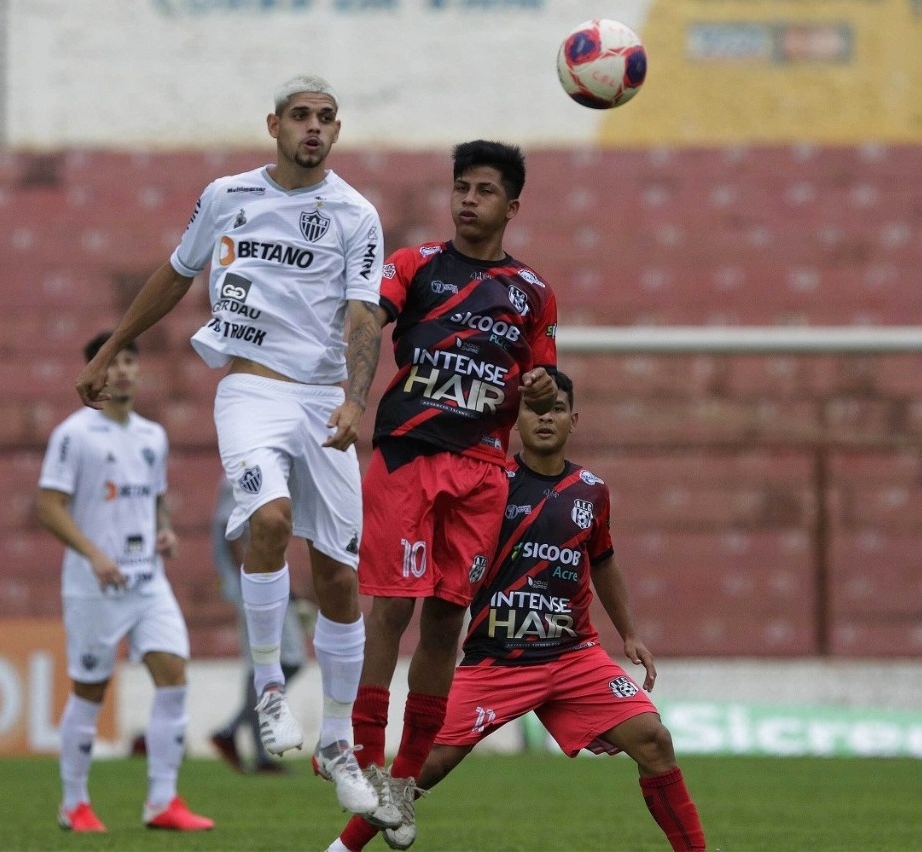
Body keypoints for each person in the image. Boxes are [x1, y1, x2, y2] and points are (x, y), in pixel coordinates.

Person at [74, 74, 384, 817]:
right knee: (269, 522)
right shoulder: (228, 197)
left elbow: (366, 316)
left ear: (337, 132)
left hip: (321, 401)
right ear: (274, 124)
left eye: (327, 119)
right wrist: (112, 345)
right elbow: (175, 277)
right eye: (302, 117)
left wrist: (354, 399)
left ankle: (336, 740)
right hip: (249, 391)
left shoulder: (355, 214)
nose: (314, 128)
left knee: (340, 576)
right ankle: (269, 692)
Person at [332, 372, 707, 852]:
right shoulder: (491, 485)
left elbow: (604, 559)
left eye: (555, 409)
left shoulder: (591, 491)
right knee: (420, 770)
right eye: (534, 409)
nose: (544, 417)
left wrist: (630, 634)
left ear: (574, 419)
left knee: (655, 740)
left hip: (572, 656)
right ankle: (339, 850)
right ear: (515, 418)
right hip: (497, 658)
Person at [332, 140, 560, 844]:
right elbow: (368, 318)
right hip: (410, 457)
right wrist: (352, 395)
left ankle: (404, 781)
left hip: (484, 471)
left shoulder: (532, 293)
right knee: (392, 607)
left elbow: (541, 382)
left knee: (444, 625)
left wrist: (543, 389)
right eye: (461, 187)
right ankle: (366, 761)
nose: (468, 200)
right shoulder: (418, 265)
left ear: (511, 206)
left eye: (484, 190)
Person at [37, 332, 214, 834]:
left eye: (130, 361)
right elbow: (48, 506)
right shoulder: (74, 435)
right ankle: (74, 803)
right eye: (111, 362)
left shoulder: (152, 436)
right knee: (90, 690)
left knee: (175, 679)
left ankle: (162, 801)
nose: (121, 371)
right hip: (95, 585)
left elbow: (152, 497)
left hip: (147, 580)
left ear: (140, 370)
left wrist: (164, 530)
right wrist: (93, 553)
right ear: (94, 370)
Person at [208, 473, 307, 774]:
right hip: (253, 584)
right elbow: (231, 530)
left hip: (270, 579)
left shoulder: (276, 467)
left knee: (283, 661)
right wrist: (247, 579)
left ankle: (231, 731)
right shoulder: (240, 474)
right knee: (272, 663)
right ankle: (259, 753)